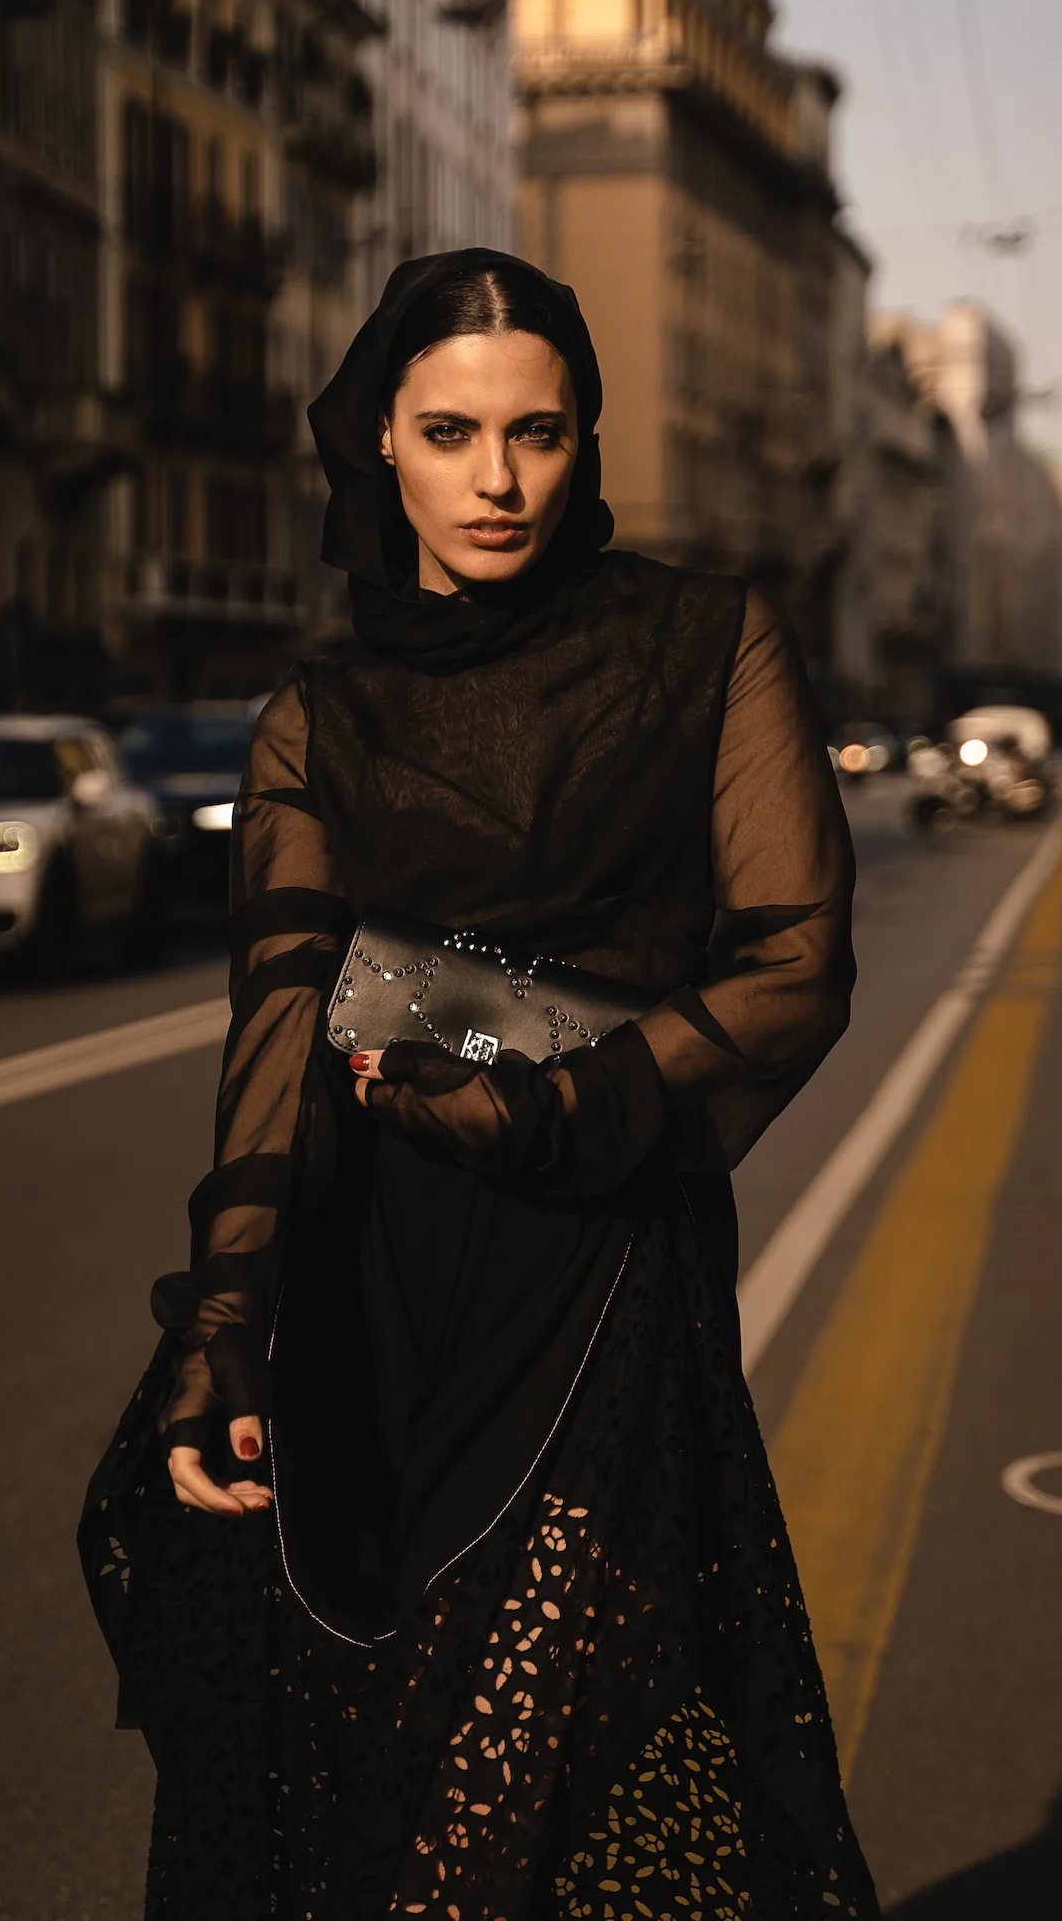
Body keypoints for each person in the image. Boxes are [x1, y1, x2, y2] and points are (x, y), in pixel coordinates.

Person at [81, 250, 876, 1921]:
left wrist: (562, 1104)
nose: (497, 480)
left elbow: (792, 956)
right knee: (356, 1757)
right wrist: (225, 1309)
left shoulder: (703, 640)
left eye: (539, 433)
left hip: (597, 1267)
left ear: (585, 439)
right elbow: (278, 1019)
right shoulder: (319, 709)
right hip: (366, 1281)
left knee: (523, 1772)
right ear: (381, 436)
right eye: (451, 433)